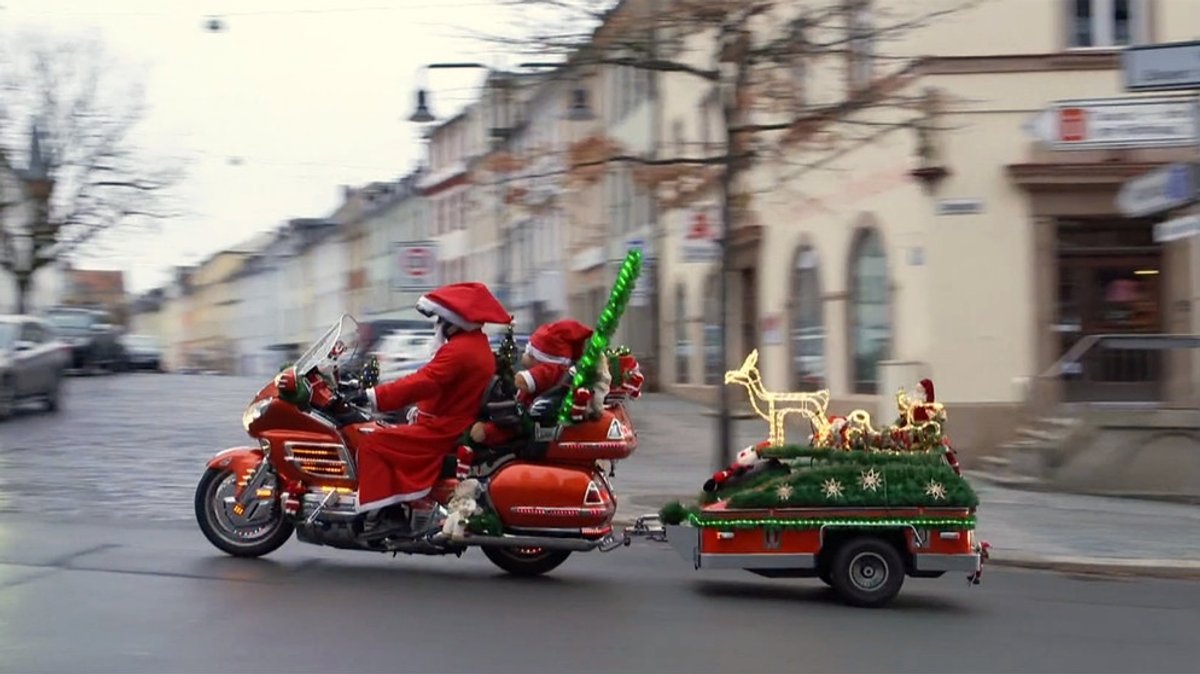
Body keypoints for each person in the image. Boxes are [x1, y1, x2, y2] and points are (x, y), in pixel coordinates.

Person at [350, 282, 511, 527]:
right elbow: (439, 386)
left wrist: (372, 396)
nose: (438, 325)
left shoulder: (460, 351)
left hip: (443, 431)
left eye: (440, 319)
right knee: (383, 432)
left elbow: (424, 382)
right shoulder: (474, 345)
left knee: (373, 441)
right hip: (448, 422)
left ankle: (389, 513)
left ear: (454, 321)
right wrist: (419, 409)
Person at [469, 319, 594, 446]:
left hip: (527, 418)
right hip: (528, 412)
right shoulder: (561, 371)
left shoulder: (550, 370)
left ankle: (485, 433)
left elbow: (523, 381)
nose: (525, 356)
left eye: (530, 354)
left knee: (506, 427)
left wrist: (510, 380)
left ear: (541, 356)